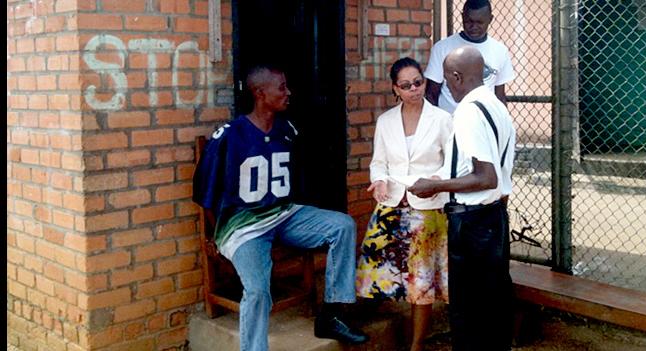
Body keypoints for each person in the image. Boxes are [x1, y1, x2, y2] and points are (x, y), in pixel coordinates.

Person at [192, 65, 369, 351]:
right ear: (260, 93)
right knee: (259, 290)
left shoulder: (287, 129)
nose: (288, 93)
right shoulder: (229, 135)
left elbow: (296, 184)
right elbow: (206, 194)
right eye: (282, 87)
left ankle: (331, 315)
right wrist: (218, 235)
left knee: (342, 225)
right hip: (244, 225)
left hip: (283, 215)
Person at [409, 46, 516, 351]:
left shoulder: (468, 111)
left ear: (456, 76)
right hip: (493, 217)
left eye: (445, 79)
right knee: (493, 306)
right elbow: (492, 173)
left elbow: (486, 176)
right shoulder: (497, 107)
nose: (445, 86)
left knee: (468, 313)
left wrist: (434, 185)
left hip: (471, 223)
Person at [355, 57, 453, 351]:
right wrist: (380, 181)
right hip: (392, 205)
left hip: (427, 207)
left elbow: (452, 165)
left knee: (420, 282)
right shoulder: (386, 121)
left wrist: (436, 179)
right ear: (395, 89)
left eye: (418, 82)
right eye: (406, 85)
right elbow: (379, 163)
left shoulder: (442, 119)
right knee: (376, 270)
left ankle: (416, 346)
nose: (414, 89)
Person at [424, 0, 515, 113]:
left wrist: (502, 126)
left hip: (484, 122)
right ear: (462, 17)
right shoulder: (442, 48)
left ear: (490, 19)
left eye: (480, 22)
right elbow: (431, 94)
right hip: (449, 122)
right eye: (469, 21)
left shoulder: (500, 51)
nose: (474, 27)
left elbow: (500, 96)